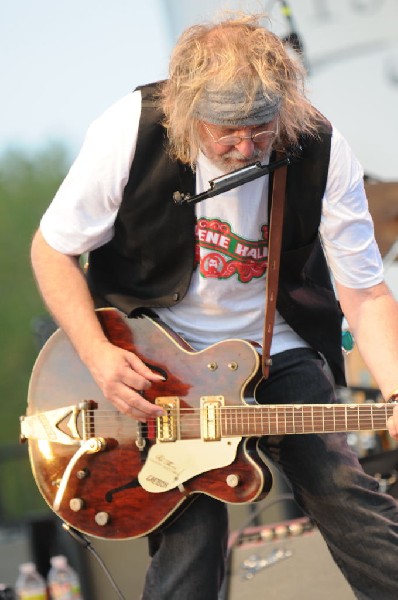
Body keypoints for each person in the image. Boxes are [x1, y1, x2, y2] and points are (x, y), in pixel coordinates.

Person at [30, 12, 398, 600]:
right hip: (159, 359)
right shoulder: (130, 129)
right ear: (186, 109)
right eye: (225, 130)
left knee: (345, 495)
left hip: (276, 346)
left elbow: (365, 290)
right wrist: (98, 354)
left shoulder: (322, 148)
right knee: (190, 536)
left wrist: (395, 391)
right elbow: (53, 251)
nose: (246, 147)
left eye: (260, 128)